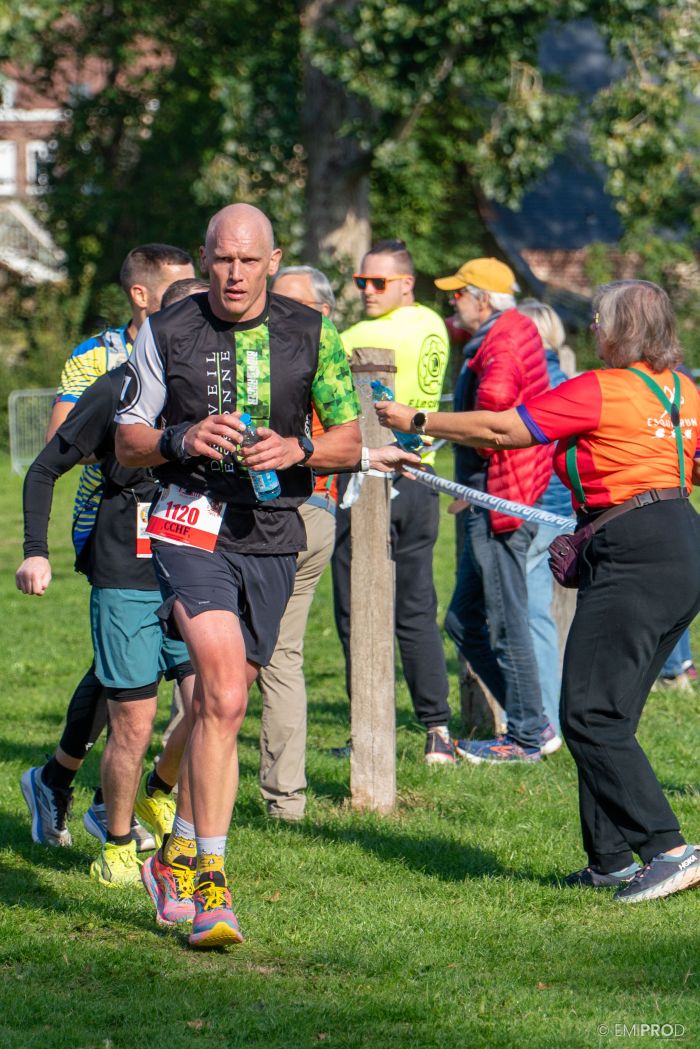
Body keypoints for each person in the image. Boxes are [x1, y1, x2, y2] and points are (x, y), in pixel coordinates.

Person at [377, 278, 700, 903]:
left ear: (622, 328)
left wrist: (417, 419)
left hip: (634, 551)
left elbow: (505, 430)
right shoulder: (684, 391)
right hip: (678, 541)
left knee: (589, 715)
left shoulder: (601, 388)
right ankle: (610, 860)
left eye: (600, 319)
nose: (594, 329)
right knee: (609, 714)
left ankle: (668, 849)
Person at [115, 202, 362, 948]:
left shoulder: (312, 333)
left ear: (272, 262)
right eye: (223, 258)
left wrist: (299, 450)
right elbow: (127, 440)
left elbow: (351, 440)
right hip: (188, 523)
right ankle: (213, 887)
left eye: (249, 260)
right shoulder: (166, 331)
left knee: (224, 706)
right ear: (205, 257)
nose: (234, 273)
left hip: (274, 531)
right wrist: (180, 436)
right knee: (221, 693)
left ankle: (173, 856)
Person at [31, 244, 195, 848]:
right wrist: (138, 436)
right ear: (143, 298)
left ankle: (96, 786)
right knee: (129, 688)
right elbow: (59, 449)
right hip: (111, 531)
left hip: (184, 540)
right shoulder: (101, 362)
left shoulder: (205, 366)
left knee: (175, 688)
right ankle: (108, 812)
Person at [260, 266, 416, 820]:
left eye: (292, 305)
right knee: (229, 655)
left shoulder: (323, 363)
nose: (275, 313)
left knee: (272, 656)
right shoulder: (258, 354)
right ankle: (200, 792)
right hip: (250, 514)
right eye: (273, 303)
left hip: (303, 512)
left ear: (324, 314)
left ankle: (281, 800)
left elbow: (346, 444)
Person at [333, 238, 454, 764]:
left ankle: (365, 728)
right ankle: (438, 729)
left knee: (354, 608)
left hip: (372, 475)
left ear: (406, 283)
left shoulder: (362, 336)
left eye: (377, 282)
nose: (366, 291)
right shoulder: (432, 324)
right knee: (417, 607)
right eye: (361, 281)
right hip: (422, 473)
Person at [432, 257, 555, 763]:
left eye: (459, 292)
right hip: (494, 492)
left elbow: (492, 424)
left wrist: (422, 422)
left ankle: (525, 737)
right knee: (463, 620)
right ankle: (534, 722)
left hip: (503, 497)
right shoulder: (505, 333)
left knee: (505, 620)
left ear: (483, 299)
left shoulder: (501, 343)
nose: (453, 300)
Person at [517, 299, 573, 735]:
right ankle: (550, 717)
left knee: (525, 616)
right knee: (542, 619)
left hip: (529, 509)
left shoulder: (528, 384)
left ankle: (536, 722)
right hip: (562, 511)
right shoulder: (570, 382)